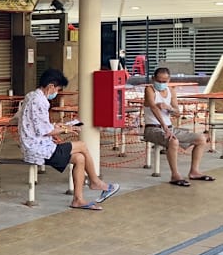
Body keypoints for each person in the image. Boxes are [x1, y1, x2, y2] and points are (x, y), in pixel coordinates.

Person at [18, 69, 120, 210]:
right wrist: (66, 129)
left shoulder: (31, 96)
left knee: (79, 158)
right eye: (57, 89)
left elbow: (38, 125)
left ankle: (78, 200)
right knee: (82, 145)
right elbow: (45, 131)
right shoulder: (40, 101)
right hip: (38, 149)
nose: (56, 93)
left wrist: (59, 126)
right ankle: (95, 181)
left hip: (34, 146)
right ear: (51, 86)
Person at [143, 67, 214, 186]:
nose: (161, 83)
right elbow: (154, 107)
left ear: (169, 80)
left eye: (164, 81)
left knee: (201, 139)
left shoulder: (171, 91)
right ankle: (175, 175)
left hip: (170, 127)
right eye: (159, 81)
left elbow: (177, 113)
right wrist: (165, 127)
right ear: (153, 79)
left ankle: (194, 171)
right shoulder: (149, 89)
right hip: (152, 128)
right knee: (173, 141)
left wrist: (168, 108)